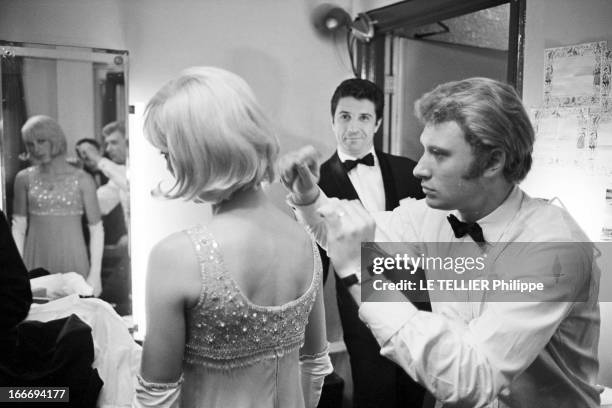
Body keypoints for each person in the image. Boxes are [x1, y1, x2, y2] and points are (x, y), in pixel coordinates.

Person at [280, 77, 601, 407]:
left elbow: (471, 379)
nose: (419, 169)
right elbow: (348, 231)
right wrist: (308, 197)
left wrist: (362, 278)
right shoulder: (431, 217)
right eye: (424, 149)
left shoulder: (553, 248)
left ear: (493, 162)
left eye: (439, 154)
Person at [134, 67, 332, 408]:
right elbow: (315, 366)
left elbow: (156, 396)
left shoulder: (178, 256)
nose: (167, 166)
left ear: (197, 154)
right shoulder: (305, 241)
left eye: (167, 154)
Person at [316, 78, 426, 408]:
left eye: (364, 117)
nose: (353, 127)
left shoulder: (410, 171)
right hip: (359, 304)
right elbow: (316, 262)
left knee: (413, 393)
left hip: (414, 300)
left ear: (377, 122)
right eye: (345, 116)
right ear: (332, 120)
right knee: (373, 393)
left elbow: (430, 237)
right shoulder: (316, 183)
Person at [11, 115, 104, 296]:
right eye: (30, 144)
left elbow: (97, 229)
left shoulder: (83, 179)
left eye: (41, 141)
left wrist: (95, 274)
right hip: (35, 258)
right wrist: (18, 270)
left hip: (73, 258)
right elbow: (18, 228)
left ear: (55, 140)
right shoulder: (23, 178)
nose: (36, 149)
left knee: (75, 319)